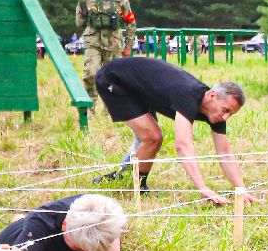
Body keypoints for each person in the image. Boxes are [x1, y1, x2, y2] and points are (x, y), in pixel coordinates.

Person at [93, 58, 253, 204]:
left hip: (139, 86)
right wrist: (202, 188)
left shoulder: (215, 112)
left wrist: (241, 190)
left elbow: (224, 152)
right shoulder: (188, 95)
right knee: (152, 137)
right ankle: (135, 185)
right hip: (114, 78)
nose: (225, 117)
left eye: (230, 114)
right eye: (225, 110)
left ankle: (120, 177)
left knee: (147, 138)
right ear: (212, 95)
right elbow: (183, 145)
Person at [75, 0, 137, 97]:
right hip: (93, 42)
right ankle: (89, 106)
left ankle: (110, 107)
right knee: (91, 73)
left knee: (112, 78)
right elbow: (79, 20)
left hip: (113, 43)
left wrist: (128, 46)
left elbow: (130, 22)